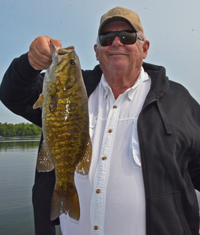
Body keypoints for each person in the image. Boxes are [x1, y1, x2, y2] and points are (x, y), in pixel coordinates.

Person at [1, 6, 200, 235]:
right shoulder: (73, 89)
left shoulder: (177, 101)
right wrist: (30, 64)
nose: (116, 43)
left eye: (127, 36)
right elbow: (12, 95)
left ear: (144, 48)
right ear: (97, 51)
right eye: (106, 38)